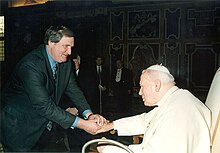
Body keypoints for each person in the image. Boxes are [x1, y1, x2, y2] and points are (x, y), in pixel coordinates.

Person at [0, 25, 108, 152]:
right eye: (66, 46)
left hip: (44, 127)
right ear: (51, 42)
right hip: (19, 127)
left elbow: (74, 90)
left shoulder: (65, 62)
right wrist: (83, 124)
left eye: (71, 47)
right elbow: (44, 106)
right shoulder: (30, 65)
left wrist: (89, 114)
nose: (69, 52)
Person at [96, 64, 211, 153]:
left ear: (157, 85)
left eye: (142, 86)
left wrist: (108, 149)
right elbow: (145, 120)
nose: (140, 92)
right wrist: (112, 125)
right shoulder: (178, 98)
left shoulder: (176, 112)